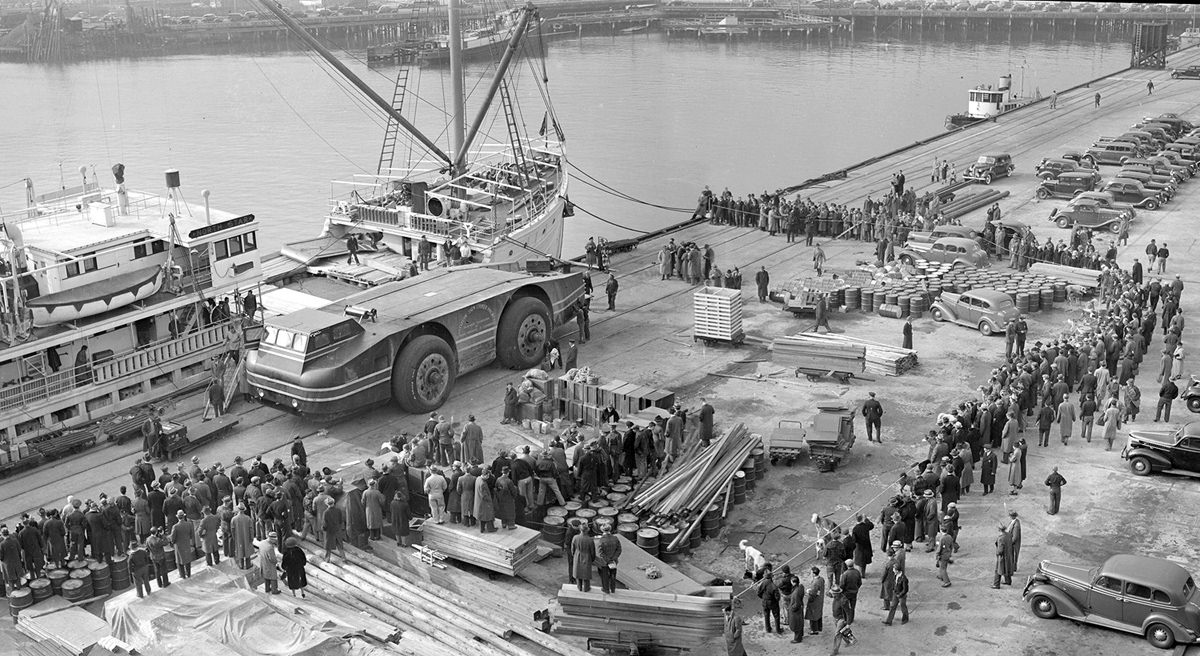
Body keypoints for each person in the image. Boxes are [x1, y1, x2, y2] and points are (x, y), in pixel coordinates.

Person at [595, 523, 621, 594]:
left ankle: (606, 589)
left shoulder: (601, 540)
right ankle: (613, 589)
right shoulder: (615, 538)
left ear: (602, 530)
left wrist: (608, 560)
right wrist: (613, 558)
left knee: (605, 576)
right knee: (613, 575)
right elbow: (619, 550)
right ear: (610, 529)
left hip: (605, 562)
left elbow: (601, 553)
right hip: (614, 561)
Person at [168, 510, 195, 578]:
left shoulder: (175, 526)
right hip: (186, 544)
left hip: (178, 546)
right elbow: (192, 535)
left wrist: (171, 541)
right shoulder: (189, 524)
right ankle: (188, 573)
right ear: (184, 516)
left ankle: (182, 575)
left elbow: (172, 538)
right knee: (187, 559)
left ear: (177, 517)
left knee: (179, 560)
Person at [570, 524, 595, 592]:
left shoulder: (575, 537)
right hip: (587, 556)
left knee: (578, 572)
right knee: (586, 574)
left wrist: (574, 555)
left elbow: (572, 549)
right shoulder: (590, 540)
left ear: (580, 530)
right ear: (587, 530)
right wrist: (592, 559)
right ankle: (586, 588)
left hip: (577, 555)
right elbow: (592, 551)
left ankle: (579, 587)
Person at [757, 567, 782, 633]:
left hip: (764, 601)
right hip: (772, 602)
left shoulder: (762, 584)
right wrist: (776, 601)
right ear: (771, 577)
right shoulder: (774, 586)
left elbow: (758, 593)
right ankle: (778, 630)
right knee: (776, 616)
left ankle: (768, 629)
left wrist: (763, 598)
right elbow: (777, 597)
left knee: (766, 615)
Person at [322, 497, 346, 561]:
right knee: (339, 544)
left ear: (327, 504)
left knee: (328, 546)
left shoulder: (326, 512)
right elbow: (341, 520)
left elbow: (325, 523)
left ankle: (327, 559)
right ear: (333, 503)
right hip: (337, 529)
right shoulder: (338, 510)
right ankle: (343, 557)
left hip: (329, 531)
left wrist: (324, 529)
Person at [992, 524, 1014, 588]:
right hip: (1009, 555)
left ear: (999, 530)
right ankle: (1008, 581)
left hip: (1002, 557)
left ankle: (996, 584)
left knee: (998, 570)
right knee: (1007, 568)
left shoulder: (1001, 538)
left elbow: (1000, 550)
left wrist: (997, 553)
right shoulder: (1009, 535)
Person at [805, 566, 825, 635]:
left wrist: (808, 591)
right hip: (820, 599)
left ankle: (814, 630)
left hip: (814, 601)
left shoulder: (815, 582)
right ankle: (819, 627)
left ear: (813, 574)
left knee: (812, 615)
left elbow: (813, 593)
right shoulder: (821, 579)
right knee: (819, 613)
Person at [787, 575, 806, 643]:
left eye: (791, 582)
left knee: (796, 624)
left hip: (796, 610)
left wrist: (791, 608)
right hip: (800, 608)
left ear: (794, 583)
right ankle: (801, 635)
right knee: (800, 622)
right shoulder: (800, 587)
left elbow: (796, 604)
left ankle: (797, 639)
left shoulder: (796, 592)